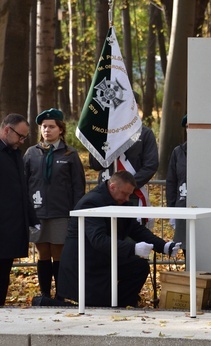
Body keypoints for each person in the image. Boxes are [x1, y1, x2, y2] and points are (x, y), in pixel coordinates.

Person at [58, 171, 181, 307]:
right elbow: (98, 240)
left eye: (130, 194)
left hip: (104, 256)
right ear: (112, 187)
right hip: (85, 262)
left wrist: (163, 246)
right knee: (98, 305)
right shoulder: (91, 202)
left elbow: (135, 229)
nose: (128, 199)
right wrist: (133, 248)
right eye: (125, 193)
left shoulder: (121, 201)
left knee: (138, 267)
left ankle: (122, 304)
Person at [23, 108, 86, 299]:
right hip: (38, 212)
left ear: (60, 129)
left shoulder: (70, 154)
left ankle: (60, 293)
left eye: (51, 127)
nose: (47, 130)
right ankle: (44, 293)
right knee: (43, 252)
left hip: (61, 212)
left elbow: (78, 186)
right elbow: (23, 182)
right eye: (44, 127)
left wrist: (76, 212)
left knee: (58, 251)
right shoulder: (31, 153)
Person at [89, 91, 158, 209]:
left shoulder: (145, 133)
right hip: (105, 193)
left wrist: (126, 187)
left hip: (132, 194)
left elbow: (150, 165)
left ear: (136, 107)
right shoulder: (103, 132)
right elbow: (95, 164)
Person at [0, 113, 39, 305]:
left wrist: (32, 219)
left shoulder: (15, 153)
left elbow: (23, 190)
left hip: (11, 226)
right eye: (20, 136)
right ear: (7, 130)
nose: (22, 141)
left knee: (3, 273)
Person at [166, 114, 188, 256]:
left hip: (205, 206)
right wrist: (171, 210)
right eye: (187, 127)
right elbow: (171, 182)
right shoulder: (178, 152)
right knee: (187, 247)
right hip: (183, 205)